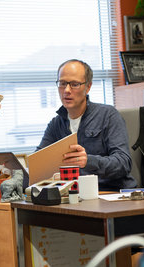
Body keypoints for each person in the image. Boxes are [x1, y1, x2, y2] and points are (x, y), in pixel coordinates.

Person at [37, 59, 137, 190]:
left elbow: (123, 163)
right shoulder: (56, 124)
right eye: (62, 83)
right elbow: (38, 162)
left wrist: (88, 161)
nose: (66, 90)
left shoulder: (108, 115)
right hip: (76, 196)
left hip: (111, 193)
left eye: (74, 84)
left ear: (88, 87)